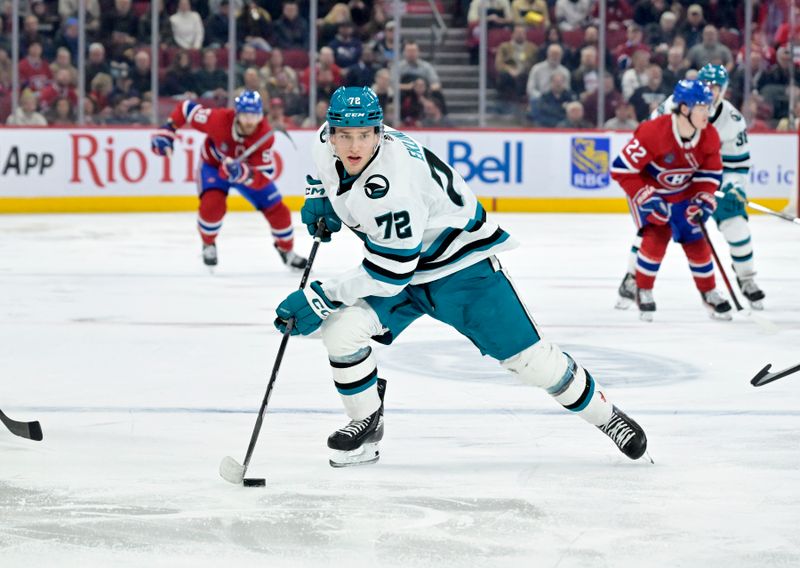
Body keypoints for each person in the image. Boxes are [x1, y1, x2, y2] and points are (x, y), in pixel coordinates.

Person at [273, 86, 648, 468]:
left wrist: (320, 298)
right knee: (340, 333)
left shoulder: (393, 186)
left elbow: (391, 272)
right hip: (403, 268)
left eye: (365, 136)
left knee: (533, 363)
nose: (354, 146)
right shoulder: (326, 141)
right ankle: (367, 422)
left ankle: (608, 417)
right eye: (345, 136)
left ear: (380, 133)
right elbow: (321, 166)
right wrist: (319, 194)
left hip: (461, 270)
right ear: (331, 131)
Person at [616, 64, 765, 310]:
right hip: (675, 176)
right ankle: (633, 279)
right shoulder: (676, 104)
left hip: (712, 179)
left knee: (736, 225)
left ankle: (747, 278)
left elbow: (736, 166)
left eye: (716, 87)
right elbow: (649, 139)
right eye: (707, 86)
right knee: (654, 226)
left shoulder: (732, 120)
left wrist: (733, 188)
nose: (711, 92)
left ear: (724, 90)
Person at [610, 79, 731, 321]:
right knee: (658, 231)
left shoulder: (709, 135)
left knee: (695, 236)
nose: (708, 112)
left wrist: (703, 198)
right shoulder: (653, 132)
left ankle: (708, 292)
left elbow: (709, 174)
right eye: (702, 107)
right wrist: (646, 197)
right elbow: (621, 169)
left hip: (683, 191)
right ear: (685, 109)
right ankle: (642, 288)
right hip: (649, 189)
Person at [150, 91, 308, 270]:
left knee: (279, 211)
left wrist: (242, 173)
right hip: (214, 167)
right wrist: (168, 129)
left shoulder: (265, 135)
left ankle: (286, 250)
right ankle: (208, 243)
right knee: (212, 206)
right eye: (245, 115)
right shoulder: (218, 120)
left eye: (254, 116)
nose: (250, 121)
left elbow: (262, 177)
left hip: (244, 173)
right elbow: (186, 108)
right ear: (237, 114)